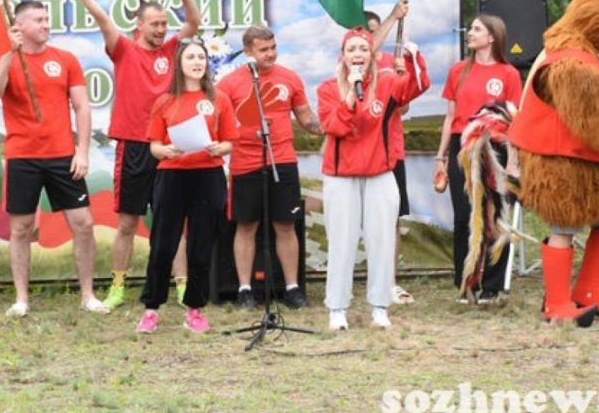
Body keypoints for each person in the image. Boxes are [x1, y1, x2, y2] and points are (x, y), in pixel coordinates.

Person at [65, 0, 200, 310]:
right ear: (138, 25)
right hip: (134, 146)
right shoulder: (122, 49)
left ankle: (182, 287)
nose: (161, 29)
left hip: (168, 147)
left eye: (164, 24)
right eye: (154, 24)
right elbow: (102, 18)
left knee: (173, 222)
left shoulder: (171, 50)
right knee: (127, 223)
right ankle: (118, 287)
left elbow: (194, 25)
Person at [0, 0, 108, 317]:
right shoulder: (8, 59)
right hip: (22, 156)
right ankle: (22, 299)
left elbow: (82, 107)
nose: (45, 24)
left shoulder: (65, 60)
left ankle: (87, 295)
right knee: (22, 229)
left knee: (83, 224)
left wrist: (82, 150)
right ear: (20, 26)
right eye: (38, 20)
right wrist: (8, 54)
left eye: (46, 19)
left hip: (62, 156)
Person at [317, 21, 428, 331]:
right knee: (342, 242)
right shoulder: (328, 89)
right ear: (343, 55)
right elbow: (335, 126)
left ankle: (380, 307)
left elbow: (418, 85)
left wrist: (411, 56)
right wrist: (352, 95)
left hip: (380, 173)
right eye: (352, 49)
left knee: (381, 241)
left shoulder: (388, 83)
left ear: (372, 54)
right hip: (341, 177)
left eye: (364, 49)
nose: (358, 54)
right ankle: (337, 309)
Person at [136, 39, 238, 333]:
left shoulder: (219, 99)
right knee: (162, 245)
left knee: (201, 247)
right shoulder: (165, 101)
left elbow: (230, 141)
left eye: (201, 57)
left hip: (208, 176)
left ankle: (195, 309)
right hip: (172, 177)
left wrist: (221, 148)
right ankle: (151, 308)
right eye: (191, 57)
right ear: (179, 63)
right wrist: (165, 151)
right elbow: (154, 145)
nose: (197, 62)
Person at [216, 26, 321, 310]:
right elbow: (219, 123)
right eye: (264, 50)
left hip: (283, 160)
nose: (271, 54)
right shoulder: (229, 84)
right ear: (248, 51)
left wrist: (326, 128)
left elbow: (305, 117)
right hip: (245, 163)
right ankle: (245, 290)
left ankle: (292, 288)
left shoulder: (290, 78)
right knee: (246, 225)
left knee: (285, 225)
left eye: (273, 47)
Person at [434, 15, 522, 303]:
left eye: (476, 29)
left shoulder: (508, 73)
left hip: (495, 148)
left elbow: (513, 120)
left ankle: (492, 285)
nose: (469, 33)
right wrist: (440, 156)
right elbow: (449, 117)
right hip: (463, 149)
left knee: (496, 217)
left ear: (492, 37)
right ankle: (465, 281)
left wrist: (513, 161)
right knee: (464, 218)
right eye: (470, 29)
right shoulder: (458, 70)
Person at [364, 7, 415, 306]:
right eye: (370, 30)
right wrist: (394, 17)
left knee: (391, 220)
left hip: (391, 150)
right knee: (364, 220)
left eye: (376, 28)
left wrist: (399, 80)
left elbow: (404, 108)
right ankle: (371, 281)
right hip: (361, 156)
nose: (374, 34)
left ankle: (390, 283)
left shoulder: (391, 63)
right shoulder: (354, 62)